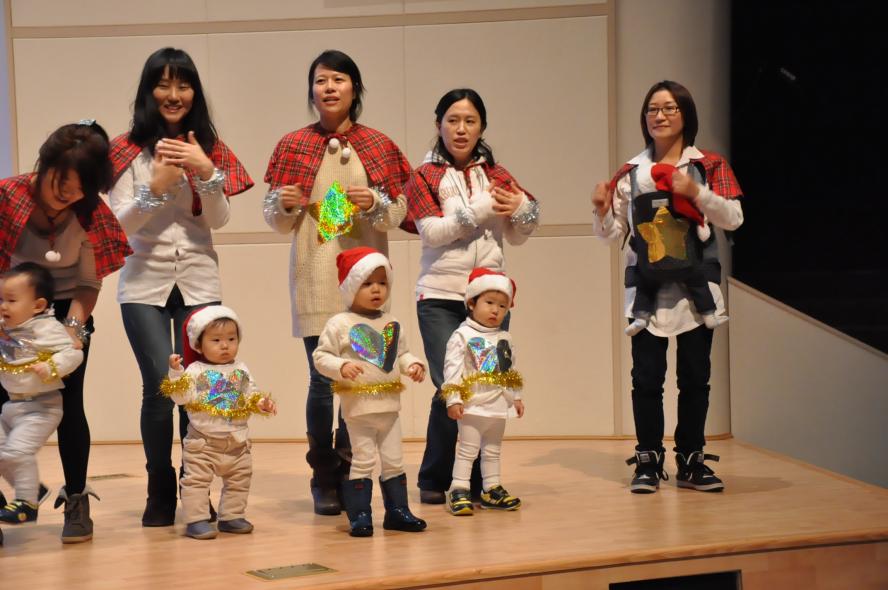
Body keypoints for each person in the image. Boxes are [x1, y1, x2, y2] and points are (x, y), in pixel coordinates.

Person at [109, 47, 254, 527]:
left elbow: (219, 219)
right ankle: (160, 489)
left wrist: (205, 171)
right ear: (148, 91)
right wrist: (155, 186)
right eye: (164, 84)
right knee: (160, 388)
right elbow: (118, 226)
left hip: (198, 279)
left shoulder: (207, 146)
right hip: (143, 282)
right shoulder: (127, 150)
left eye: (183, 85)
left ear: (195, 92)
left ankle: (197, 488)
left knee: (202, 389)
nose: (174, 95)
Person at [263, 49, 411, 515]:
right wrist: (284, 203)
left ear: (355, 89)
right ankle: (322, 475)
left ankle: (353, 471)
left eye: (339, 79)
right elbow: (276, 221)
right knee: (321, 378)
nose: (329, 88)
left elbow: (397, 214)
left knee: (360, 375)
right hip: (314, 272)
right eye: (321, 80)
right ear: (312, 90)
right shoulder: (293, 145)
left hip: (365, 279)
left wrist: (374, 203)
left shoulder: (378, 144)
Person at [590, 80, 744, 493]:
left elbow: (734, 218)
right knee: (646, 379)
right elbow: (612, 235)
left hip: (697, 290)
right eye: (652, 109)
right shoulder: (630, 173)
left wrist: (696, 193)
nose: (659, 116)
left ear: (686, 115)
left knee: (695, 378)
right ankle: (648, 459)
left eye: (669, 108)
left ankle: (692, 460)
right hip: (647, 290)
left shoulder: (708, 165)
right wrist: (602, 211)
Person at [405, 88, 539, 504]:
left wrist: (522, 207)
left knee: (487, 384)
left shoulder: (498, 175)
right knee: (452, 385)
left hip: (489, 296)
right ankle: (435, 480)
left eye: (470, 121)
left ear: (482, 127)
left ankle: (480, 481)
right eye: (452, 120)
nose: (461, 129)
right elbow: (432, 232)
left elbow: (519, 234)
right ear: (438, 125)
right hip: (440, 295)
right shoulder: (423, 176)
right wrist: (480, 210)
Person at [0, 121, 130, 544]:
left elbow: (88, 284)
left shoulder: (91, 213)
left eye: (78, 191)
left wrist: (72, 330)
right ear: (45, 165)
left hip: (66, 311)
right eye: (61, 184)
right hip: (9, 306)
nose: (67, 196)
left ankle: (76, 499)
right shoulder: (9, 197)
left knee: (69, 405)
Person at [313, 247, 427, 537]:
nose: (376, 289)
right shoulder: (340, 323)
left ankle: (397, 511)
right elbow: (321, 357)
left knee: (394, 460)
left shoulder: (392, 323)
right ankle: (360, 514)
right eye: (367, 283)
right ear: (351, 286)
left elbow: (401, 354)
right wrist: (341, 366)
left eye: (382, 282)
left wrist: (413, 365)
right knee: (363, 460)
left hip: (390, 408)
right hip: (359, 409)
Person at [161, 305, 276, 539]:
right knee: (196, 482)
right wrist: (176, 373)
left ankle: (232, 516)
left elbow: (251, 393)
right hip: (203, 443)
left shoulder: (241, 369)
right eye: (216, 340)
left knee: (240, 480)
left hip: (237, 442)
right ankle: (196, 520)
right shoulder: (194, 370)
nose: (225, 345)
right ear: (198, 344)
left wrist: (261, 402)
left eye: (231, 339)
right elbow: (180, 398)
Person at [0, 263, 83, 528]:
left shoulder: (46, 329)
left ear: (37, 306)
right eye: (1, 300)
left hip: (41, 407)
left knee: (17, 452)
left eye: (11, 300)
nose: (3, 306)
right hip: (11, 406)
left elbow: (74, 353)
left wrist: (51, 367)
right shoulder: (6, 328)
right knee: (3, 453)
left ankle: (27, 504)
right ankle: (33, 488)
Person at [443, 269, 524, 516]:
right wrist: (453, 398)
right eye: (489, 303)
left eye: (502, 305)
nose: (495, 310)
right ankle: (459, 488)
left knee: (493, 450)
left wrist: (516, 396)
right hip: (473, 404)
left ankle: (491, 488)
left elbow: (510, 368)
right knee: (467, 449)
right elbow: (453, 369)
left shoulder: (505, 337)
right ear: (471, 303)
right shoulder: (462, 335)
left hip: (499, 404)